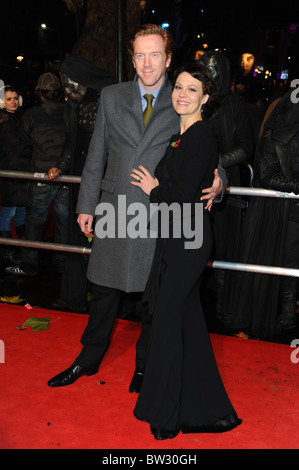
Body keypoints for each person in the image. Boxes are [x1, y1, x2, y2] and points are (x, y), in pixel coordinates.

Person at [47, 24, 226, 389]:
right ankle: (88, 358)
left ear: (168, 58)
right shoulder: (111, 96)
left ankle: (144, 366)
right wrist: (86, 205)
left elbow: (201, 141)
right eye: (140, 55)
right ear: (132, 59)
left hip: (160, 214)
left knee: (152, 298)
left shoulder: (180, 97)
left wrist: (220, 178)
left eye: (155, 54)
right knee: (103, 291)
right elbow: (96, 153)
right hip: (114, 208)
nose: (147, 63)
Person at [131, 63, 242, 440]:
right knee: (187, 324)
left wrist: (153, 189)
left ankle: (165, 416)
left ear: (205, 98)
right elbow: (181, 184)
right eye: (178, 87)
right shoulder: (181, 136)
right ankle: (204, 406)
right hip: (176, 236)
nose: (182, 94)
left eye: (192, 90)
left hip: (188, 241)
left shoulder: (201, 135)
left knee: (165, 320)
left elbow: (176, 195)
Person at [222, 88, 299, 339]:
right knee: (287, 265)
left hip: (288, 212)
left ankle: (287, 314)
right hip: (282, 214)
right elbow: (267, 176)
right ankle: (285, 315)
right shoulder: (275, 137)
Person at [52, 56, 115, 313]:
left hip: (103, 183)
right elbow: (72, 145)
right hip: (81, 180)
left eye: (71, 84)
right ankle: (75, 296)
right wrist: (61, 167)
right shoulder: (73, 108)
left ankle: (103, 297)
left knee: (103, 239)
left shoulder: (106, 104)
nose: (67, 90)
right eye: (64, 85)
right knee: (79, 236)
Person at [197, 51, 254, 323]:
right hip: (196, 187)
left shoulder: (235, 105)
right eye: (205, 69)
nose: (210, 74)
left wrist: (217, 161)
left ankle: (224, 309)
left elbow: (246, 146)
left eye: (214, 69)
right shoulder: (197, 101)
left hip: (227, 188)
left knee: (225, 248)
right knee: (194, 246)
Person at [5, 73, 71, 276]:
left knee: (35, 224)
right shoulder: (70, 112)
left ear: (40, 93)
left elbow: (25, 140)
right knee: (63, 224)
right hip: (65, 177)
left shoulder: (32, 114)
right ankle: (62, 263)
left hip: (41, 175)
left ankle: (29, 265)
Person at [0, 85, 31, 264]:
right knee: (9, 211)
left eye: (15, 98)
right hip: (11, 171)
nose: (12, 102)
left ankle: (20, 248)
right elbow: (18, 146)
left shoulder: (19, 116)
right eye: (9, 98)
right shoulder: (3, 120)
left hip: (21, 170)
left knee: (21, 211)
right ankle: (5, 251)